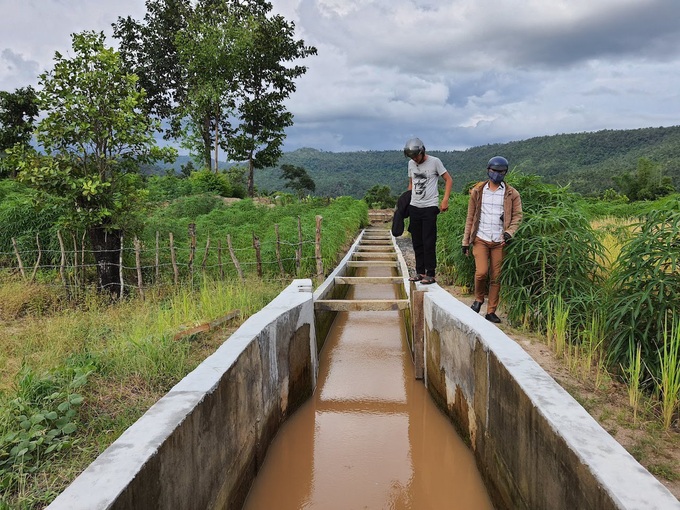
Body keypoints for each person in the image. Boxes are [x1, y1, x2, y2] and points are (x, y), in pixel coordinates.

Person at [462, 156, 522, 323]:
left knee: (496, 277)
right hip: (480, 238)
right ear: (488, 170)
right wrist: (465, 241)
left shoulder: (511, 194)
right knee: (481, 273)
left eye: (501, 172)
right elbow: (470, 217)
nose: (497, 174)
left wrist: (510, 232)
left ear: (505, 173)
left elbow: (518, 216)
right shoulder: (478, 191)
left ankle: (491, 311)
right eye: (494, 171)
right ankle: (479, 299)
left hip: (499, 241)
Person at [403, 137, 453, 285]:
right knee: (417, 241)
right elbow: (411, 184)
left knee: (429, 241)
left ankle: (430, 273)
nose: (415, 159)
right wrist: (406, 202)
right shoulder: (411, 164)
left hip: (430, 207)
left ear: (422, 151)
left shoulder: (435, 162)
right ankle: (420, 272)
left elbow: (448, 180)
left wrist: (445, 200)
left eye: (416, 156)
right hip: (415, 206)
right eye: (412, 157)